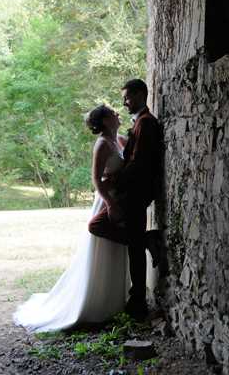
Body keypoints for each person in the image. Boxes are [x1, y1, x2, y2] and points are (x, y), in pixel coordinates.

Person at [13, 105, 128, 332]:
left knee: (117, 248)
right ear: (105, 121)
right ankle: (96, 304)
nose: (118, 114)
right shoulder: (103, 144)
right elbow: (96, 180)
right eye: (113, 113)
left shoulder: (120, 140)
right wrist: (111, 204)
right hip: (107, 201)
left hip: (120, 198)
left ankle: (115, 302)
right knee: (104, 247)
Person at [89, 79, 162, 321]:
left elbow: (139, 163)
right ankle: (137, 299)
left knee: (134, 248)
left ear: (141, 95)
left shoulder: (146, 123)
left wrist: (116, 181)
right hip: (126, 195)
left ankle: (138, 301)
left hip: (134, 194)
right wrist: (111, 193)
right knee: (133, 246)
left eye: (127, 97)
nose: (123, 103)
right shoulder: (136, 125)